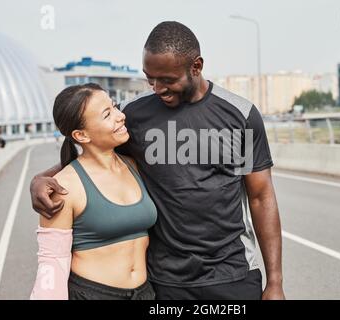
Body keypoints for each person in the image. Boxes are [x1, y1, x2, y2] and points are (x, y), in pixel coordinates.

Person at [30, 21, 284, 300]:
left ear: (196, 67)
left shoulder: (241, 116)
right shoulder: (134, 114)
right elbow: (94, 154)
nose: (157, 88)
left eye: (167, 80)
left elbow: (261, 196)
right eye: (150, 78)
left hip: (232, 275)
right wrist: (44, 178)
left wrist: (275, 282)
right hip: (164, 281)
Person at [30, 83, 157, 300]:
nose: (120, 116)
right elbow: (52, 265)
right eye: (107, 114)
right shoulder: (64, 187)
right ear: (82, 135)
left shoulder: (133, 165)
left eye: (115, 106)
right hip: (93, 294)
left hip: (145, 293)